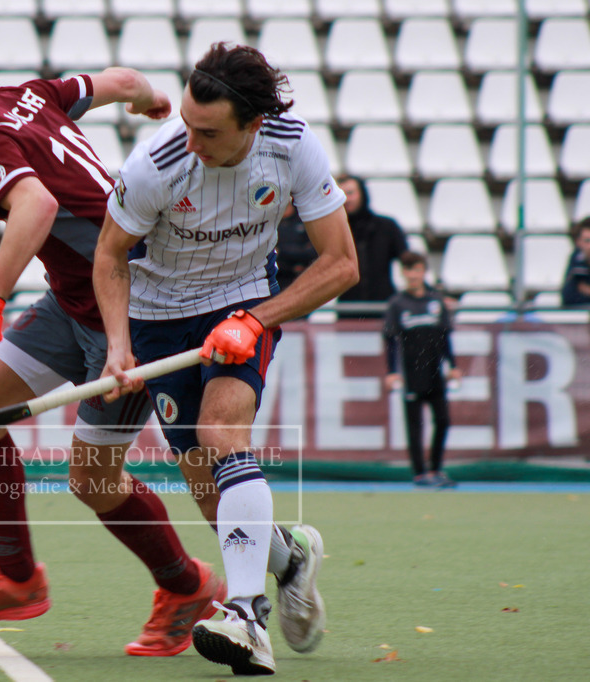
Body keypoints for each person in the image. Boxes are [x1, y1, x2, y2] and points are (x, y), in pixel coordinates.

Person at [0, 18, 227, 657]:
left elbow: (37, 207)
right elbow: (120, 81)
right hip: (73, 299)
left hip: (132, 311)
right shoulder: (23, 94)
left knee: (93, 479)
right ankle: (17, 577)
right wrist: (146, 100)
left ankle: (186, 586)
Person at [94, 43, 359, 675]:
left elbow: (342, 263)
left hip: (246, 299)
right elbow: (109, 256)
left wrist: (254, 319)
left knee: (221, 433)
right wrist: (117, 348)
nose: (190, 140)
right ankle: (290, 559)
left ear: (252, 125)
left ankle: (245, 616)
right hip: (158, 319)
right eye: (185, 123)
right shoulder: (156, 163)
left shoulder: (292, 146)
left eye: (207, 131)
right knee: (209, 492)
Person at [383, 251, 462, 488]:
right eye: (408, 270)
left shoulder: (436, 301)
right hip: (411, 373)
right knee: (415, 425)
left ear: (423, 271)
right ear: (403, 273)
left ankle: (436, 468)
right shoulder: (397, 304)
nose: (413, 275)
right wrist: (392, 371)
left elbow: (444, 337)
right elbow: (390, 340)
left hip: (435, 371)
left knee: (443, 420)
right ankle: (420, 473)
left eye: (416, 269)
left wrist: (454, 366)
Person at [336, 174, 407, 318]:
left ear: (362, 194)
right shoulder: (335, 230)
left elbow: (408, 261)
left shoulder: (387, 227)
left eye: (350, 193)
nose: (347, 199)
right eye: (341, 195)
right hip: (348, 310)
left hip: (383, 308)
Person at [275, 203, 317, 292]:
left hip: (305, 279)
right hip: (277, 279)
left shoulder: (305, 218)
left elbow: (314, 252)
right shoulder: (271, 223)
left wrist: (282, 252)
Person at [561, 217, 590, 306]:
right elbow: (568, 297)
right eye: (587, 241)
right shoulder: (576, 259)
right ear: (578, 242)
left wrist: (586, 290)